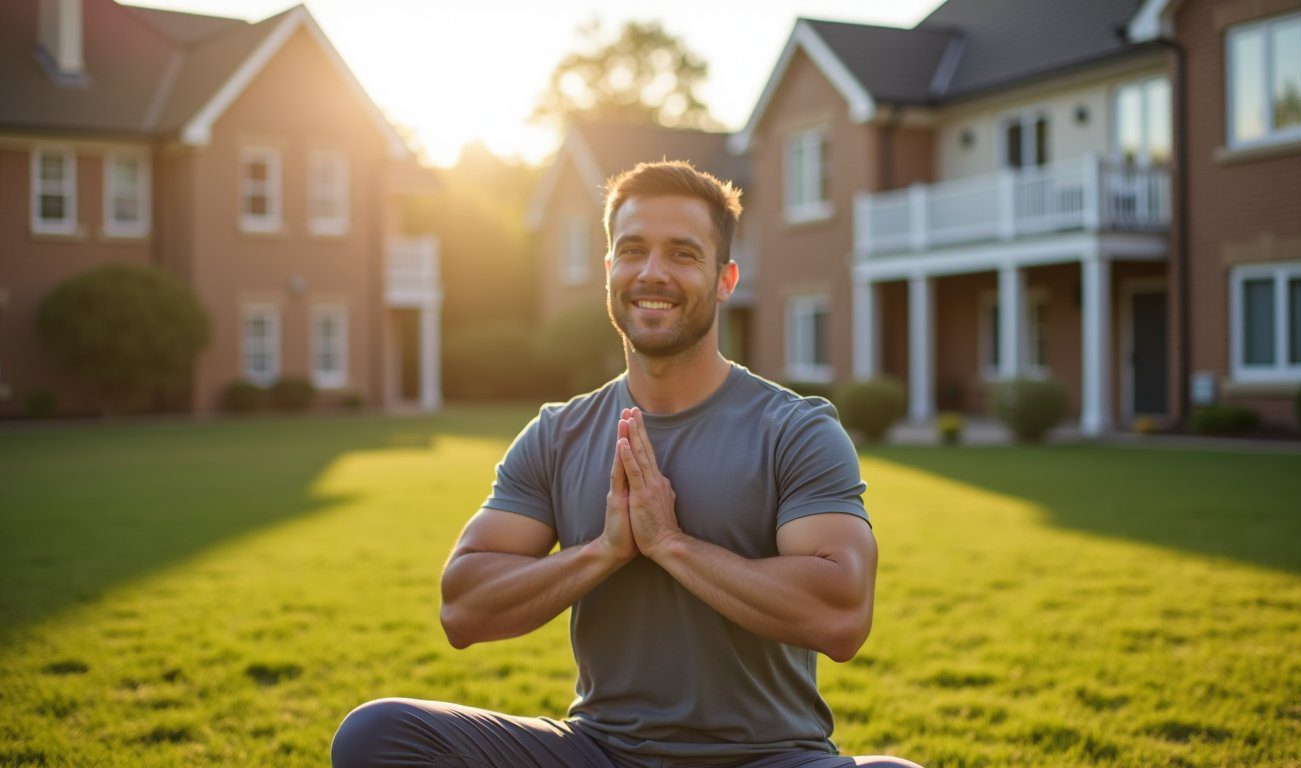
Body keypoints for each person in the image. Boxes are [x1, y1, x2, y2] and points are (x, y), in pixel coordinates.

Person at [331, 161, 922, 768]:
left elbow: (842, 613)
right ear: (609, 270)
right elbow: (463, 607)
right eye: (633, 250)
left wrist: (671, 543)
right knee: (377, 735)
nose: (653, 273)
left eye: (683, 254)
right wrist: (603, 551)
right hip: (602, 753)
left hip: (768, 758)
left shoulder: (795, 429)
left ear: (726, 279)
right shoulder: (559, 433)